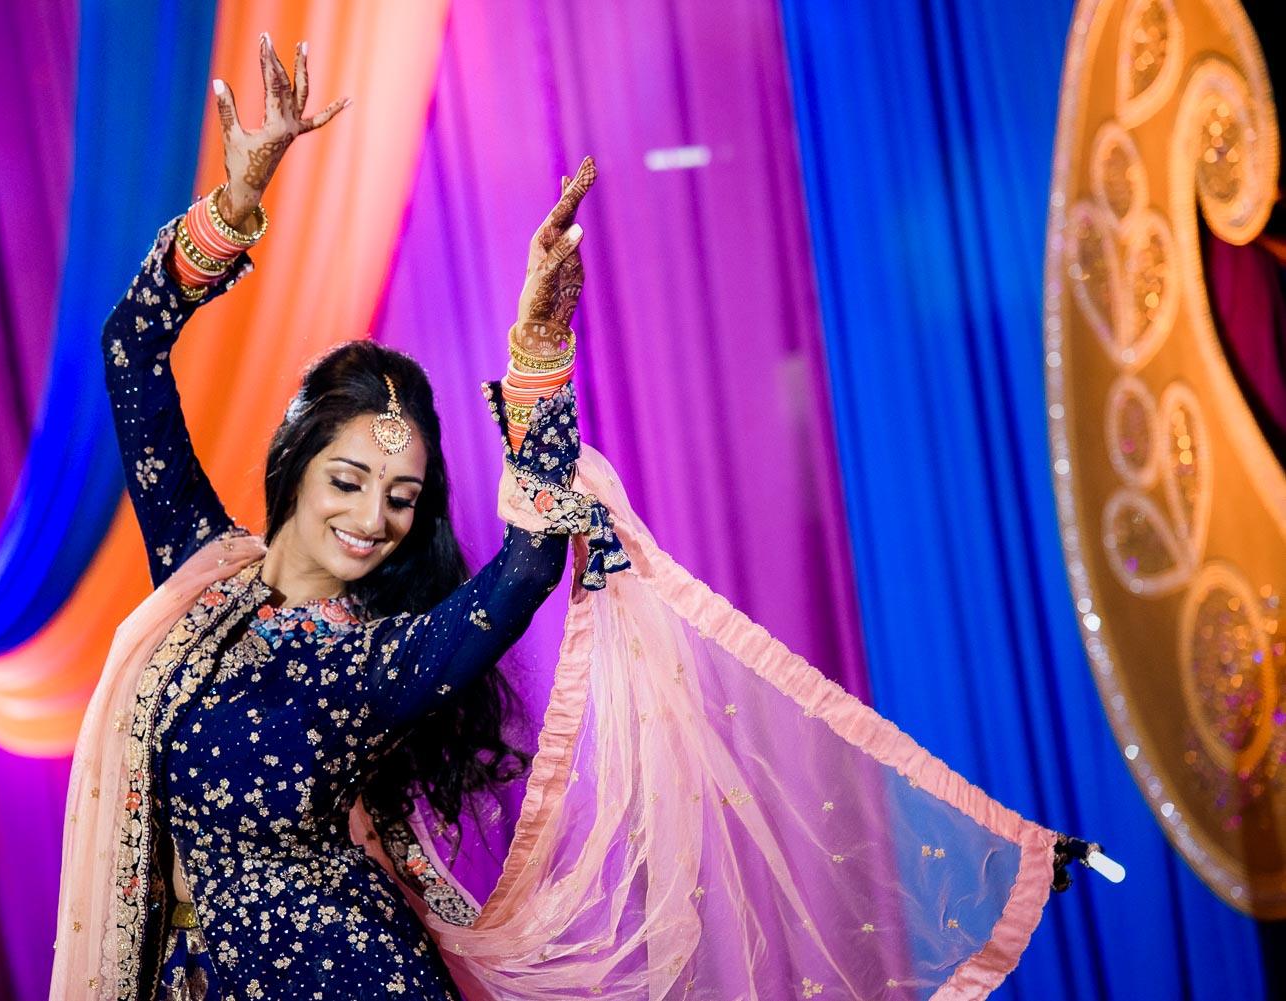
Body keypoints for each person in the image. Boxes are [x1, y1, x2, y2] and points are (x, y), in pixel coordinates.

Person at [56, 33, 1065, 1001]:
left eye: (403, 497)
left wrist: (539, 356)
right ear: (293, 464)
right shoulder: (202, 575)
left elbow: (530, 563)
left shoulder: (380, 662)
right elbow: (128, 352)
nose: (372, 517)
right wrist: (235, 201)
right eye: (349, 478)